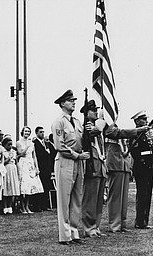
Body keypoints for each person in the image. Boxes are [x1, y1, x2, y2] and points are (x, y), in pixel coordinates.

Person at [80, 100, 149, 236]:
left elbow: (118, 133)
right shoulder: (92, 126)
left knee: (104, 199)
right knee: (98, 198)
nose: (96, 112)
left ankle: (101, 226)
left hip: (108, 163)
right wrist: (138, 130)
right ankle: (96, 226)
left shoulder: (103, 125)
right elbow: (114, 134)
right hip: (97, 163)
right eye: (93, 110)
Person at [51, 89, 90, 245]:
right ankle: (65, 235)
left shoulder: (78, 122)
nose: (73, 102)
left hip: (79, 161)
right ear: (62, 103)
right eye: (70, 100)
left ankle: (74, 232)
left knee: (76, 198)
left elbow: (82, 141)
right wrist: (77, 155)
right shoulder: (59, 122)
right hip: (65, 161)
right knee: (64, 198)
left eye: (74, 100)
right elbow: (60, 145)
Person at [129, 110, 153, 229]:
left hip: (148, 170)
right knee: (142, 195)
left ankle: (144, 220)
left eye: (146, 119)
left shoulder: (145, 136)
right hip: (142, 169)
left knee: (147, 196)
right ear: (137, 121)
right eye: (143, 119)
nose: (146, 121)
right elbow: (137, 153)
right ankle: (140, 221)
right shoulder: (136, 135)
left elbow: (150, 152)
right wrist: (149, 164)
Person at [17, 126, 44, 214]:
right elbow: (20, 153)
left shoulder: (32, 143)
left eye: (28, 131)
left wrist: (37, 167)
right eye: (25, 131)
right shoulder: (19, 142)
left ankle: (27, 206)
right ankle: (22, 207)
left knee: (30, 186)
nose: (27, 133)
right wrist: (26, 147)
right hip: (23, 163)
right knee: (23, 186)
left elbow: (34, 156)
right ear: (22, 132)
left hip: (30, 163)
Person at [33, 126, 54, 211]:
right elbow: (38, 154)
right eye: (40, 132)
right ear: (37, 133)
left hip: (47, 168)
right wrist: (46, 152)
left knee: (46, 186)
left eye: (43, 132)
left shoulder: (46, 143)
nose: (42, 133)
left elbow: (52, 152)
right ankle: (37, 205)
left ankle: (44, 205)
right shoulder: (35, 143)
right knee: (40, 186)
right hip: (40, 167)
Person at [2, 136, 20, 214]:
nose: (10, 146)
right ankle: (5, 207)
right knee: (6, 188)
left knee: (12, 188)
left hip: (13, 169)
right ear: (4, 145)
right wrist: (8, 158)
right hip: (6, 169)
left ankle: (10, 206)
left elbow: (16, 162)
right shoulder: (3, 151)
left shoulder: (13, 151)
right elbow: (3, 162)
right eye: (8, 145)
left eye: (11, 145)